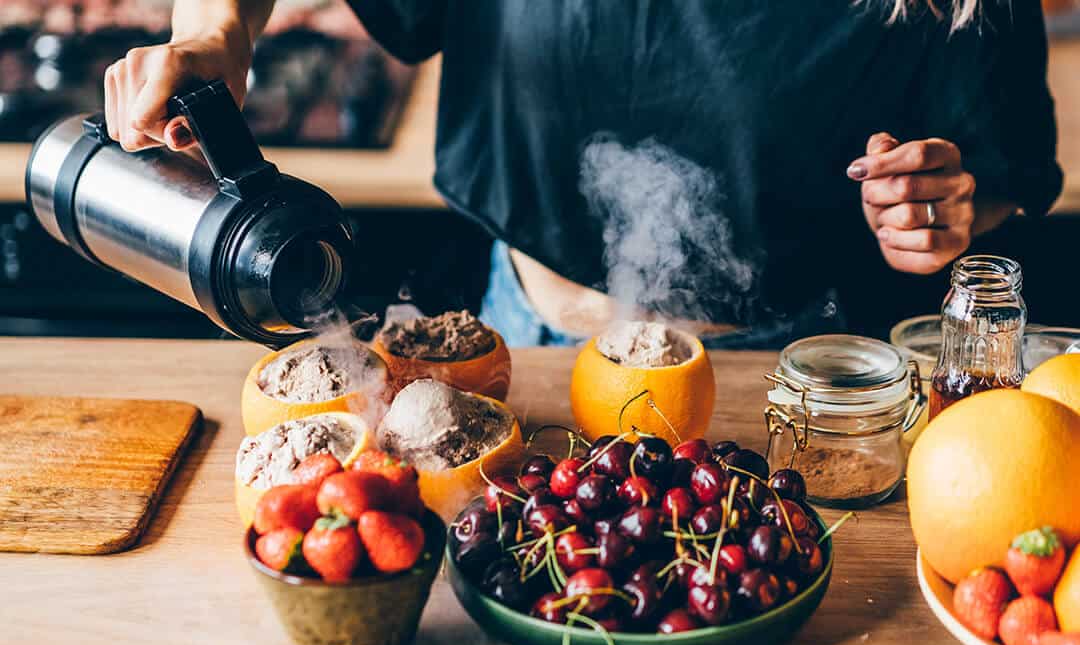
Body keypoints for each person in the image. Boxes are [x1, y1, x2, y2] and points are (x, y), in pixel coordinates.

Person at [104, 0, 1062, 348]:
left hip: (807, 373)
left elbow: (1001, 163)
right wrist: (215, 30)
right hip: (529, 336)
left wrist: (950, 206)